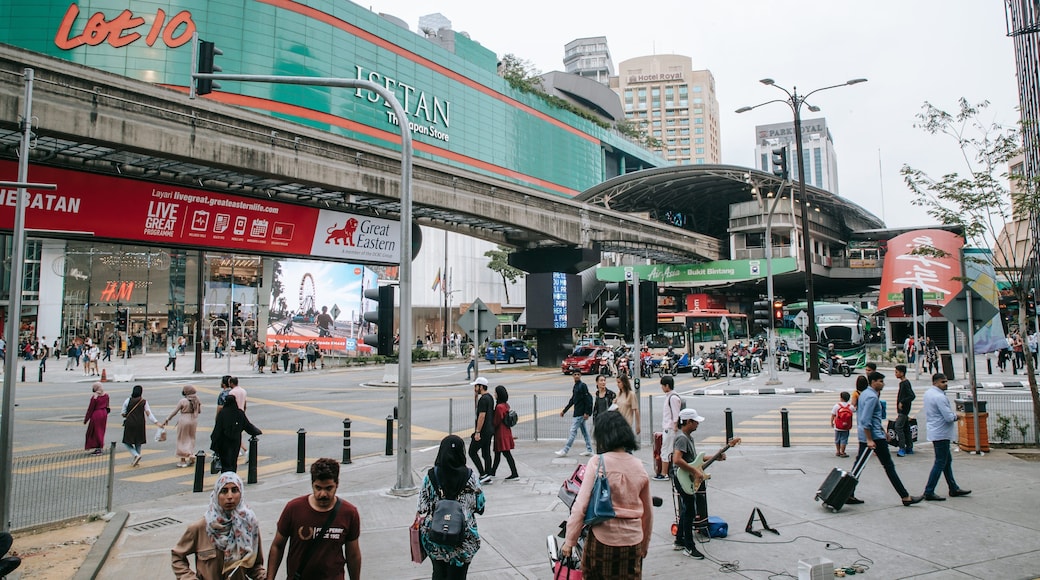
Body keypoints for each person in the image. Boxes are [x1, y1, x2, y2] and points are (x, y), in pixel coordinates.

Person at [561, 411, 653, 578]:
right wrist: (644, 545)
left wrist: (570, 541)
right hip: (633, 542)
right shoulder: (639, 466)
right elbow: (648, 514)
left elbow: (580, 506)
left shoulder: (597, 462)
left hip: (603, 541)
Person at [267, 458, 361, 580]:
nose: (322, 494)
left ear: (337, 484)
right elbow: (278, 546)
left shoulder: (349, 513)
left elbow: (353, 555)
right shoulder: (293, 508)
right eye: (318, 488)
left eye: (328, 488)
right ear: (312, 484)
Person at [171, 471, 267, 579]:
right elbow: (177, 556)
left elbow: (255, 566)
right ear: (216, 495)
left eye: (235, 490)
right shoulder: (201, 527)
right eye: (224, 491)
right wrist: (188, 577)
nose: (230, 496)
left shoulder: (249, 525)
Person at [416, 435, 485, 580]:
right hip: (462, 537)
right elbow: (480, 506)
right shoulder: (470, 476)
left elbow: (422, 507)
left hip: (435, 536)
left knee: (439, 573)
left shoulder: (430, 476)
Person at [853, 372, 923, 507]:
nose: (883, 384)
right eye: (880, 381)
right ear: (873, 382)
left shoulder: (865, 394)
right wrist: (870, 439)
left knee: (858, 466)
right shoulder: (872, 397)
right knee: (889, 467)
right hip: (874, 439)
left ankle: (848, 492)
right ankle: (905, 496)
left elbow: (872, 419)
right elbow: (865, 420)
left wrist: (884, 433)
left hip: (871, 436)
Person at [921, 373, 972, 501]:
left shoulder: (929, 393)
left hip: (936, 430)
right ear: (936, 383)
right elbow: (948, 417)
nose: (946, 384)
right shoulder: (939, 397)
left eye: (946, 382)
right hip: (941, 432)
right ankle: (929, 491)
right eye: (943, 382)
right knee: (940, 462)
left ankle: (953, 487)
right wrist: (957, 416)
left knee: (946, 461)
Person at [670, 407, 713, 559]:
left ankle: (680, 540)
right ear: (688, 422)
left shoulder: (687, 437)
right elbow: (677, 459)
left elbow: (694, 460)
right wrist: (694, 471)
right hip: (682, 477)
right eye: (695, 422)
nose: (697, 424)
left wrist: (714, 456)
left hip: (685, 476)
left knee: (686, 509)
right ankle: (689, 546)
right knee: (690, 511)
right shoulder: (682, 438)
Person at [210, 395, 261, 473]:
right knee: (233, 461)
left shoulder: (223, 413)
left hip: (224, 442)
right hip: (236, 441)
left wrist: (214, 441)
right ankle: (232, 475)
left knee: (225, 462)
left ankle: (225, 477)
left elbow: (218, 429)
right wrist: (256, 432)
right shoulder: (239, 413)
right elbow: (247, 425)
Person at [163, 385, 202, 468]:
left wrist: (167, 419)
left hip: (184, 419)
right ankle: (190, 453)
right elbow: (199, 411)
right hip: (193, 420)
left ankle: (183, 460)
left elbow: (175, 411)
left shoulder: (183, 401)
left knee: (182, 439)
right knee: (191, 438)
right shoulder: (197, 399)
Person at [556, 372, 594, 457]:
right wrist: (564, 411)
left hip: (580, 414)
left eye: (578, 374)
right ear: (572, 376)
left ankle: (565, 450)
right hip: (577, 412)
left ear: (580, 375)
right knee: (584, 432)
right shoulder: (576, 386)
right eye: (575, 374)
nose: (576, 376)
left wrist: (587, 412)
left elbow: (588, 399)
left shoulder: (582, 386)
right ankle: (589, 449)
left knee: (573, 431)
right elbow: (573, 400)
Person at [121, 384, 160, 467]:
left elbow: (123, 413)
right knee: (138, 442)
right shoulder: (143, 401)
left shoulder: (128, 400)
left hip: (130, 423)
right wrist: (156, 422)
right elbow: (149, 413)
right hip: (140, 424)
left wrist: (126, 415)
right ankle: (137, 459)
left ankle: (136, 455)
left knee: (126, 442)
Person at [654, 375, 683, 482]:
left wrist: (674, 426)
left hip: (670, 428)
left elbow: (676, 414)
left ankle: (664, 473)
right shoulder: (670, 396)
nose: (661, 387)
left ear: (667, 386)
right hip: (669, 427)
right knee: (666, 450)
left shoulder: (673, 398)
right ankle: (666, 472)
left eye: (662, 385)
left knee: (666, 450)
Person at [468, 377, 495, 484]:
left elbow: (481, 416)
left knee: (472, 451)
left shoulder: (483, 400)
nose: (474, 388)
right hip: (489, 430)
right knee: (486, 452)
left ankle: (483, 474)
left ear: (481, 387)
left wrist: (477, 431)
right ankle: (488, 473)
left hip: (483, 431)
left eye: (476, 386)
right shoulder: (490, 398)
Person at [489, 385, 518, 480]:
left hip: (500, 433)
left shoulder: (499, 407)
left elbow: (496, 421)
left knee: (504, 453)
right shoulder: (506, 405)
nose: (494, 394)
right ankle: (493, 472)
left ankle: (514, 473)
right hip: (506, 431)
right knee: (500, 453)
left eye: (495, 393)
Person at [894, 364, 917, 457]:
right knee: (906, 428)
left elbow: (912, 395)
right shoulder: (902, 383)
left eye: (896, 372)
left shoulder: (905, 383)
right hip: (903, 410)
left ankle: (902, 448)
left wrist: (902, 402)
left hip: (904, 411)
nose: (895, 374)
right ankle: (910, 447)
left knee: (898, 427)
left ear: (902, 373)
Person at [83, 382, 110, 455]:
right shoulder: (106, 395)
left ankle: (98, 448)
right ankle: (99, 447)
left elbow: (90, 409)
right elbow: (108, 405)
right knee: (101, 431)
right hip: (104, 413)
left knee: (94, 432)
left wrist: (86, 419)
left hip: (96, 414)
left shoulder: (95, 397)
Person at [831, 391, 854, 458]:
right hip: (846, 426)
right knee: (844, 439)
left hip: (838, 426)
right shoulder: (850, 407)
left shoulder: (836, 406)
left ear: (841, 398)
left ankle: (838, 451)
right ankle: (842, 452)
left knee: (837, 439)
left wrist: (832, 422)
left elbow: (833, 415)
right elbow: (854, 410)